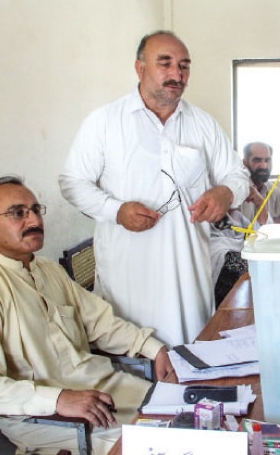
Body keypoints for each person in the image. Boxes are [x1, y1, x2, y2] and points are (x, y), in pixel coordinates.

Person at [0, 176, 174, 455]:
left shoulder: (48, 270)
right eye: (18, 213)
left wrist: (154, 349)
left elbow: (100, 323)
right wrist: (58, 399)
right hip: (45, 418)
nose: (33, 219)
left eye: (36, 210)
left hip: (105, 389)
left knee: (187, 418)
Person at [59, 30, 249, 346]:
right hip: (127, 282)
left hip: (187, 280)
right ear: (140, 67)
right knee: (131, 366)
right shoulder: (105, 122)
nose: (177, 74)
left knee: (191, 363)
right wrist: (115, 211)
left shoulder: (203, 124)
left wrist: (224, 193)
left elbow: (237, 175)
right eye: (165, 63)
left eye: (184, 66)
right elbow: (72, 183)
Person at [210, 141, 280, 306]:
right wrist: (268, 221)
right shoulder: (237, 192)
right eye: (257, 160)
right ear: (244, 163)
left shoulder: (270, 189)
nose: (263, 165)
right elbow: (249, 233)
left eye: (267, 160)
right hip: (236, 256)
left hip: (255, 251)